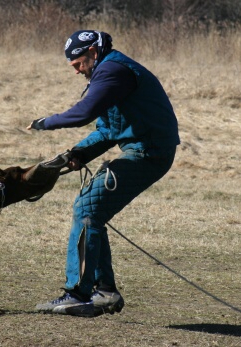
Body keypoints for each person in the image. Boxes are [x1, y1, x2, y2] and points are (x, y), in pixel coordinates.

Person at [27, 30, 180, 317]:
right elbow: (108, 130)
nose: (76, 71)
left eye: (78, 63)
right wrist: (79, 153)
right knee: (90, 210)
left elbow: (83, 113)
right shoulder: (109, 72)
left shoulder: (112, 71)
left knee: (87, 208)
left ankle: (78, 294)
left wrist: (45, 122)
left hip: (149, 152)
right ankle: (104, 292)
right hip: (144, 149)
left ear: (93, 53)